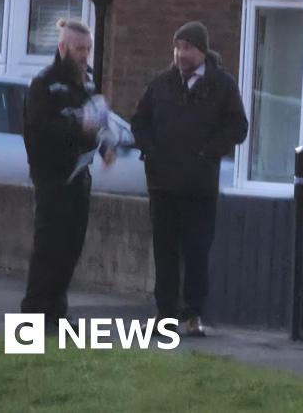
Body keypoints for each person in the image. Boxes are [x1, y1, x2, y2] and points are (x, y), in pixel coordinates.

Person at [131, 21, 248, 337]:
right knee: (164, 252)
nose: (181, 54)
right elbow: (139, 123)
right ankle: (165, 315)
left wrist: (209, 153)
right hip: (163, 184)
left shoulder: (221, 86)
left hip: (199, 186)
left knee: (196, 252)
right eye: (178, 47)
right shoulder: (161, 85)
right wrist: (151, 151)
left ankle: (193, 315)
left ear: (202, 50)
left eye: (188, 48)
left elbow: (238, 127)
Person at [21, 19, 113, 327]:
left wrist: (104, 145)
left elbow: (96, 124)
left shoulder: (85, 85)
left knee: (71, 247)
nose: (84, 55)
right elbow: (38, 130)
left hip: (79, 177)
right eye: (78, 49)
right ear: (62, 48)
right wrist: (78, 125)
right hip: (52, 177)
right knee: (49, 246)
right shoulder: (44, 84)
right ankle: (35, 313)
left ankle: (56, 311)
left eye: (87, 49)